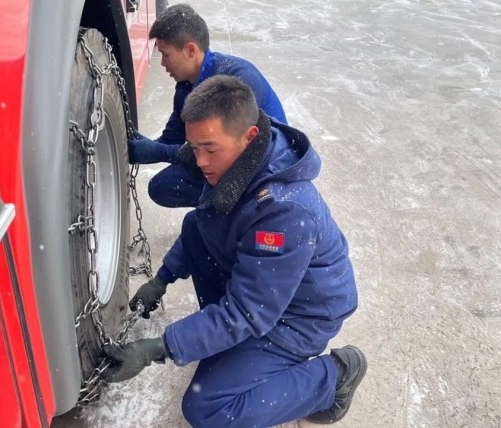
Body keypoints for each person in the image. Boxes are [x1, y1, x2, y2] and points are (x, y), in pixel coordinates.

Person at [102, 75, 367, 427]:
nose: (200, 161)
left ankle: (336, 375)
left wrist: (157, 349)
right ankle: (228, 345)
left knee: (209, 410)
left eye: (209, 149)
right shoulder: (231, 166)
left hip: (302, 315)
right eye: (194, 148)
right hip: (268, 293)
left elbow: (247, 311)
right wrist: (162, 280)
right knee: (194, 226)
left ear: (249, 136)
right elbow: (204, 226)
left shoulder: (283, 211)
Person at [129, 3, 287, 208]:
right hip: (223, 156)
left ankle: (232, 211)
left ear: (190, 50)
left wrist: (158, 152)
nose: (163, 64)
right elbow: (172, 139)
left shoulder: (238, 80)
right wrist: (145, 145)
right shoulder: (186, 87)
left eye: (166, 55)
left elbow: (230, 149)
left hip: (263, 165)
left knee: (215, 189)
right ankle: (215, 207)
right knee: (163, 186)